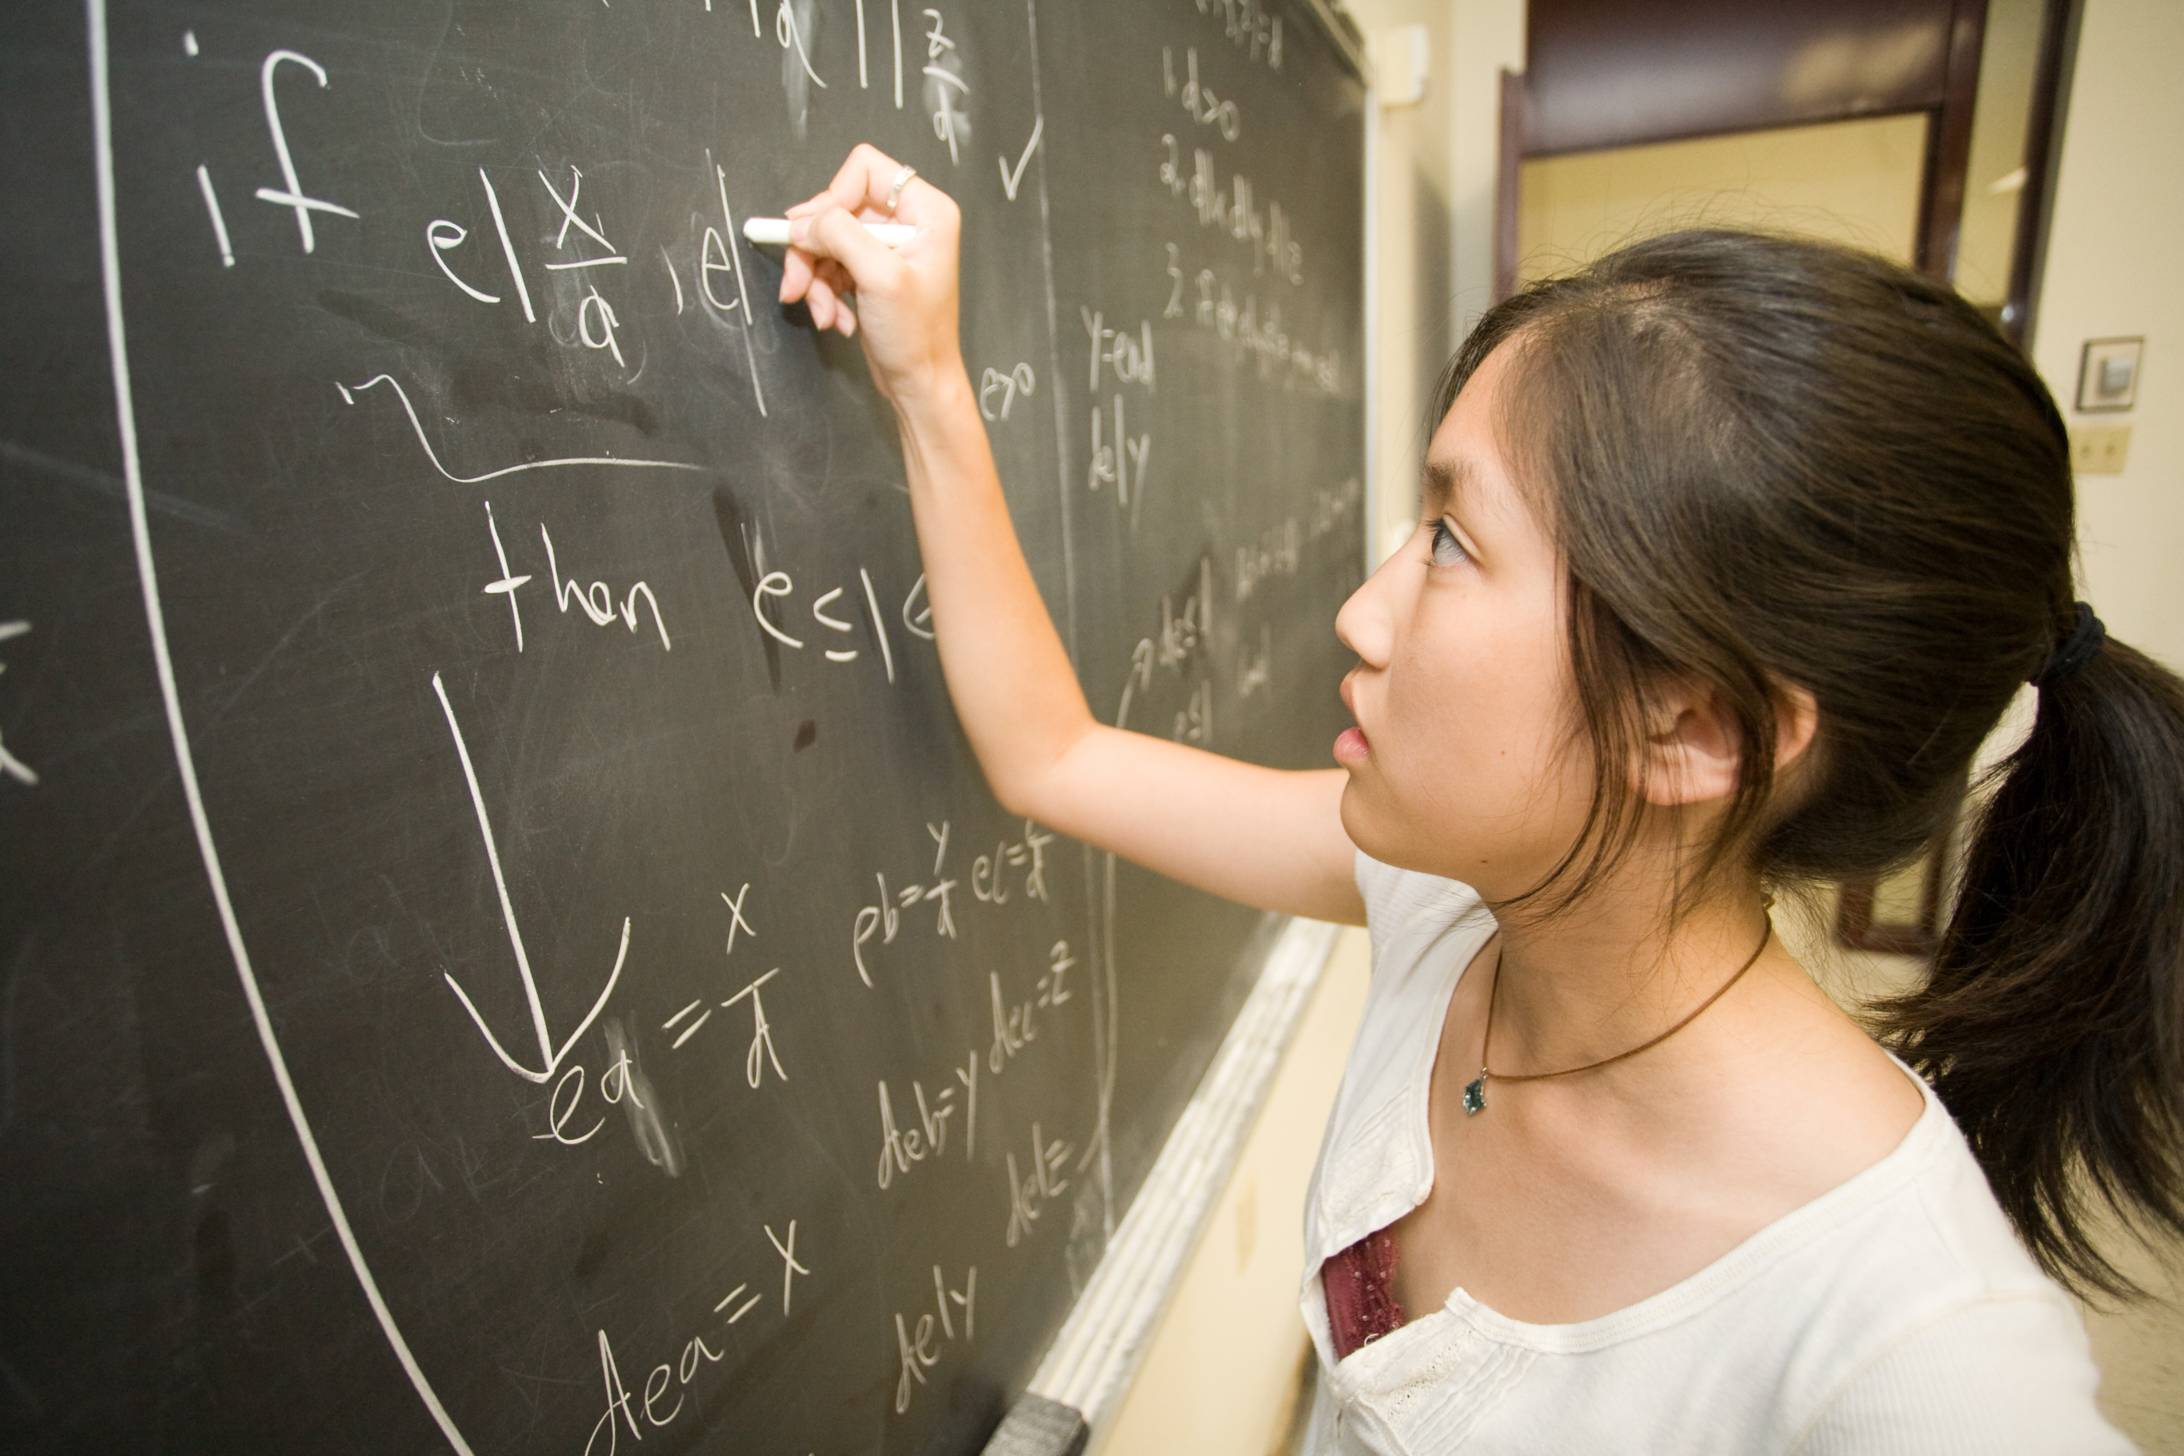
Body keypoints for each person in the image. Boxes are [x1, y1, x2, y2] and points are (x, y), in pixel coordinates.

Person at [775, 143, 2181, 1452]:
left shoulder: (1923, 1354)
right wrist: (927, 376)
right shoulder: (1454, 904)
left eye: (1450, 540)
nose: (1362, 613)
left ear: (1689, 724)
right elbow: (1056, 758)